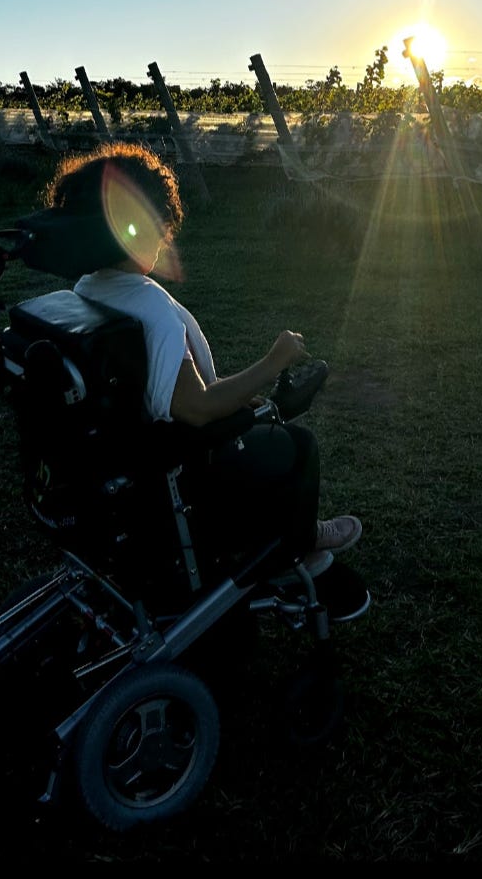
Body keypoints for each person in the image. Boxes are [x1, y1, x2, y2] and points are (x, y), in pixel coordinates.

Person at [43, 141, 362, 563]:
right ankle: (300, 540)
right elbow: (196, 408)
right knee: (298, 444)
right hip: (181, 465)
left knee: (259, 419)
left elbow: (174, 384)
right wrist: (275, 360)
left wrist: (234, 395)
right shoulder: (150, 309)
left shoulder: (90, 287)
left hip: (127, 456)